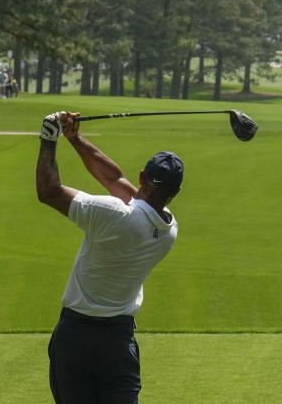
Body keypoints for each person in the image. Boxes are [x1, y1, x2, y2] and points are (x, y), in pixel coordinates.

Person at [36, 112, 182, 404]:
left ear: (141, 177)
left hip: (75, 337)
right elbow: (114, 178)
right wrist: (75, 139)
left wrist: (49, 138)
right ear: (175, 193)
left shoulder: (113, 213)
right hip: (118, 342)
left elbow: (49, 192)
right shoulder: (169, 228)